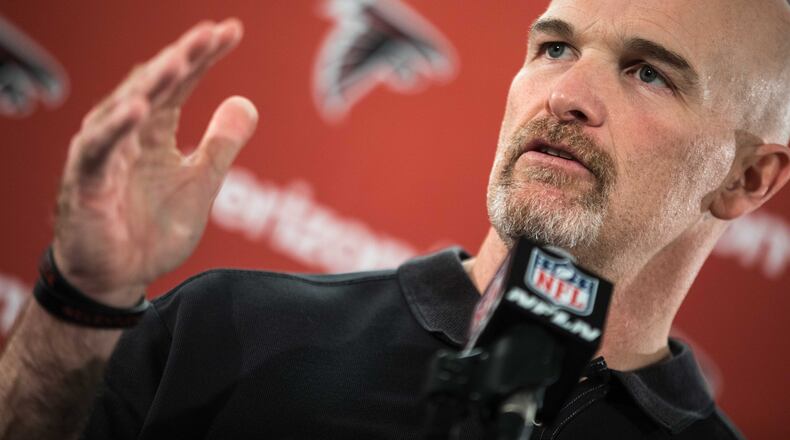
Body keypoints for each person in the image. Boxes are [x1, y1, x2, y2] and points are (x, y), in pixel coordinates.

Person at [1, 0, 788, 438]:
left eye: (647, 74)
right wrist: (84, 299)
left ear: (749, 177)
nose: (565, 96)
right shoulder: (225, 328)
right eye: (553, 49)